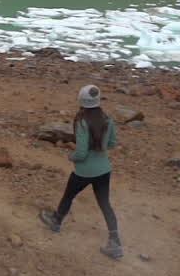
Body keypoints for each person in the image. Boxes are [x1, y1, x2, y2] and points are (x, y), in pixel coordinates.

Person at [39, 84, 122, 259]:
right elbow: (113, 144)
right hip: (104, 170)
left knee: (69, 195)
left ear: (81, 100)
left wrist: (72, 157)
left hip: (84, 171)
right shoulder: (108, 120)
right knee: (105, 204)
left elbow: (81, 152)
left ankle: (56, 221)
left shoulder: (82, 121)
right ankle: (115, 242)